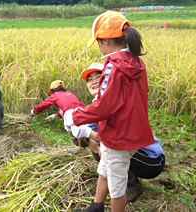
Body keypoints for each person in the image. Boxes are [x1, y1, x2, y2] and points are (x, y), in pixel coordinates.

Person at [64, 11, 155, 212]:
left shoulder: (114, 67)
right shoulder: (136, 61)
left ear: (105, 40)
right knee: (104, 169)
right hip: (131, 131)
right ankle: (96, 207)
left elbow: (105, 105)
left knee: (117, 188)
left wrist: (74, 117)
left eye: (98, 41)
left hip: (118, 136)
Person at [71, 62, 165, 203]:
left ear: (108, 78)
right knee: (91, 140)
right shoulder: (96, 105)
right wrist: (89, 139)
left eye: (98, 76)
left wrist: (91, 137)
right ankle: (116, 181)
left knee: (109, 146)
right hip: (134, 153)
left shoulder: (117, 101)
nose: (94, 81)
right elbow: (79, 135)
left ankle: (131, 186)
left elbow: (119, 139)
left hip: (152, 160)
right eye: (89, 79)